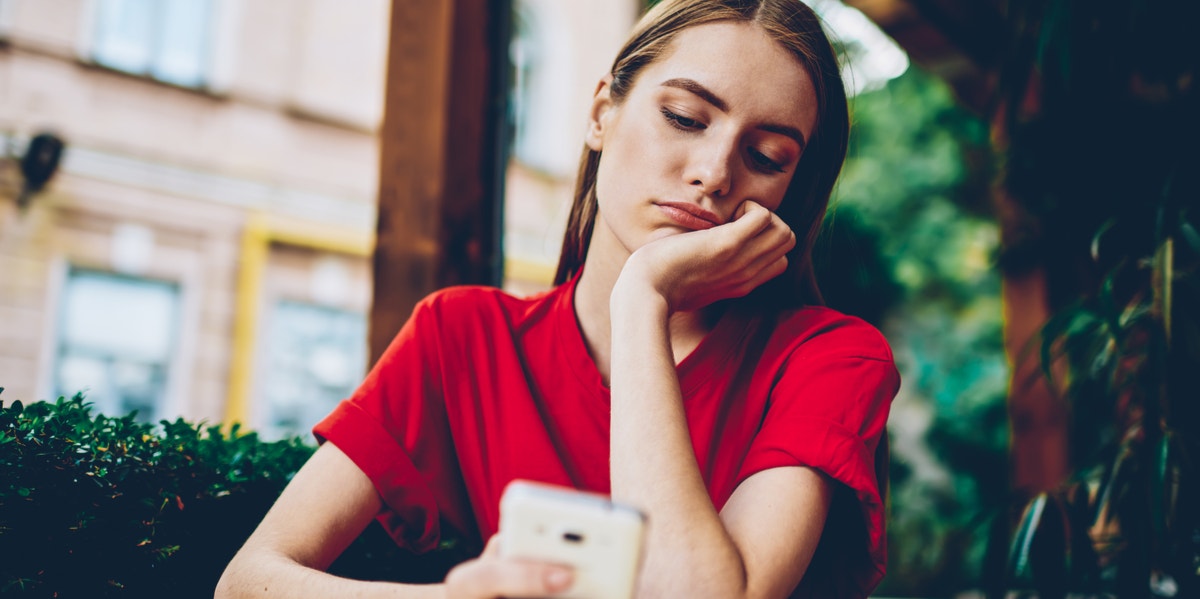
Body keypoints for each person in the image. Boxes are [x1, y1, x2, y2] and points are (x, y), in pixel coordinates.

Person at [216, 0, 899, 597]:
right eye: (686, 117)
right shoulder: (463, 334)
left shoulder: (831, 359)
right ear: (603, 111)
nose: (714, 174)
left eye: (769, 156)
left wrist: (643, 298)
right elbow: (250, 580)